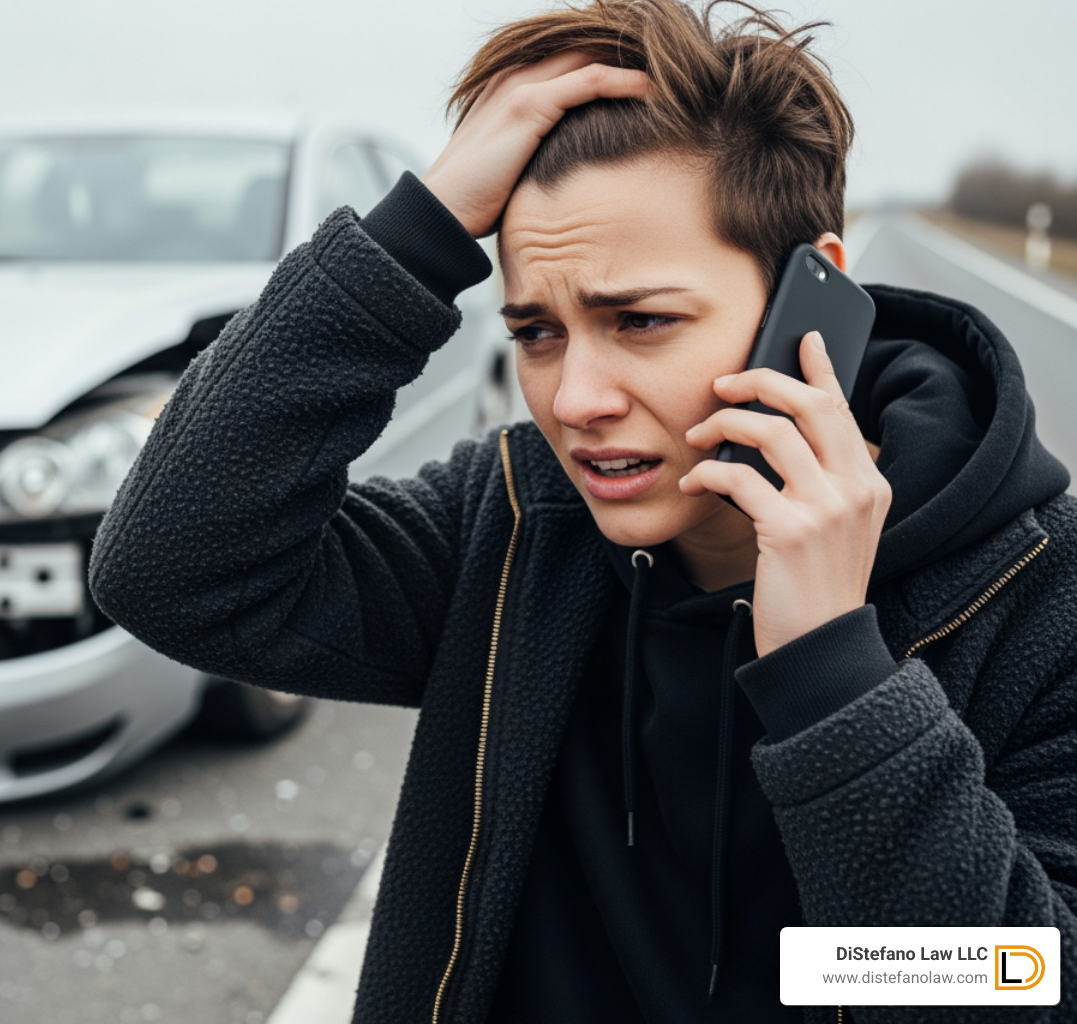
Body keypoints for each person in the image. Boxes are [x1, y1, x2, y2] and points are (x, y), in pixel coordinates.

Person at [88, 0, 1077, 1020]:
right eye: (537, 331)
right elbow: (169, 569)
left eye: (640, 320)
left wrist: (834, 676)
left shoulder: (1035, 594)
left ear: (811, 298)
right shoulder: (515, 522)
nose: (574, 400)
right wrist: (417, 230)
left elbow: (1020, 988)